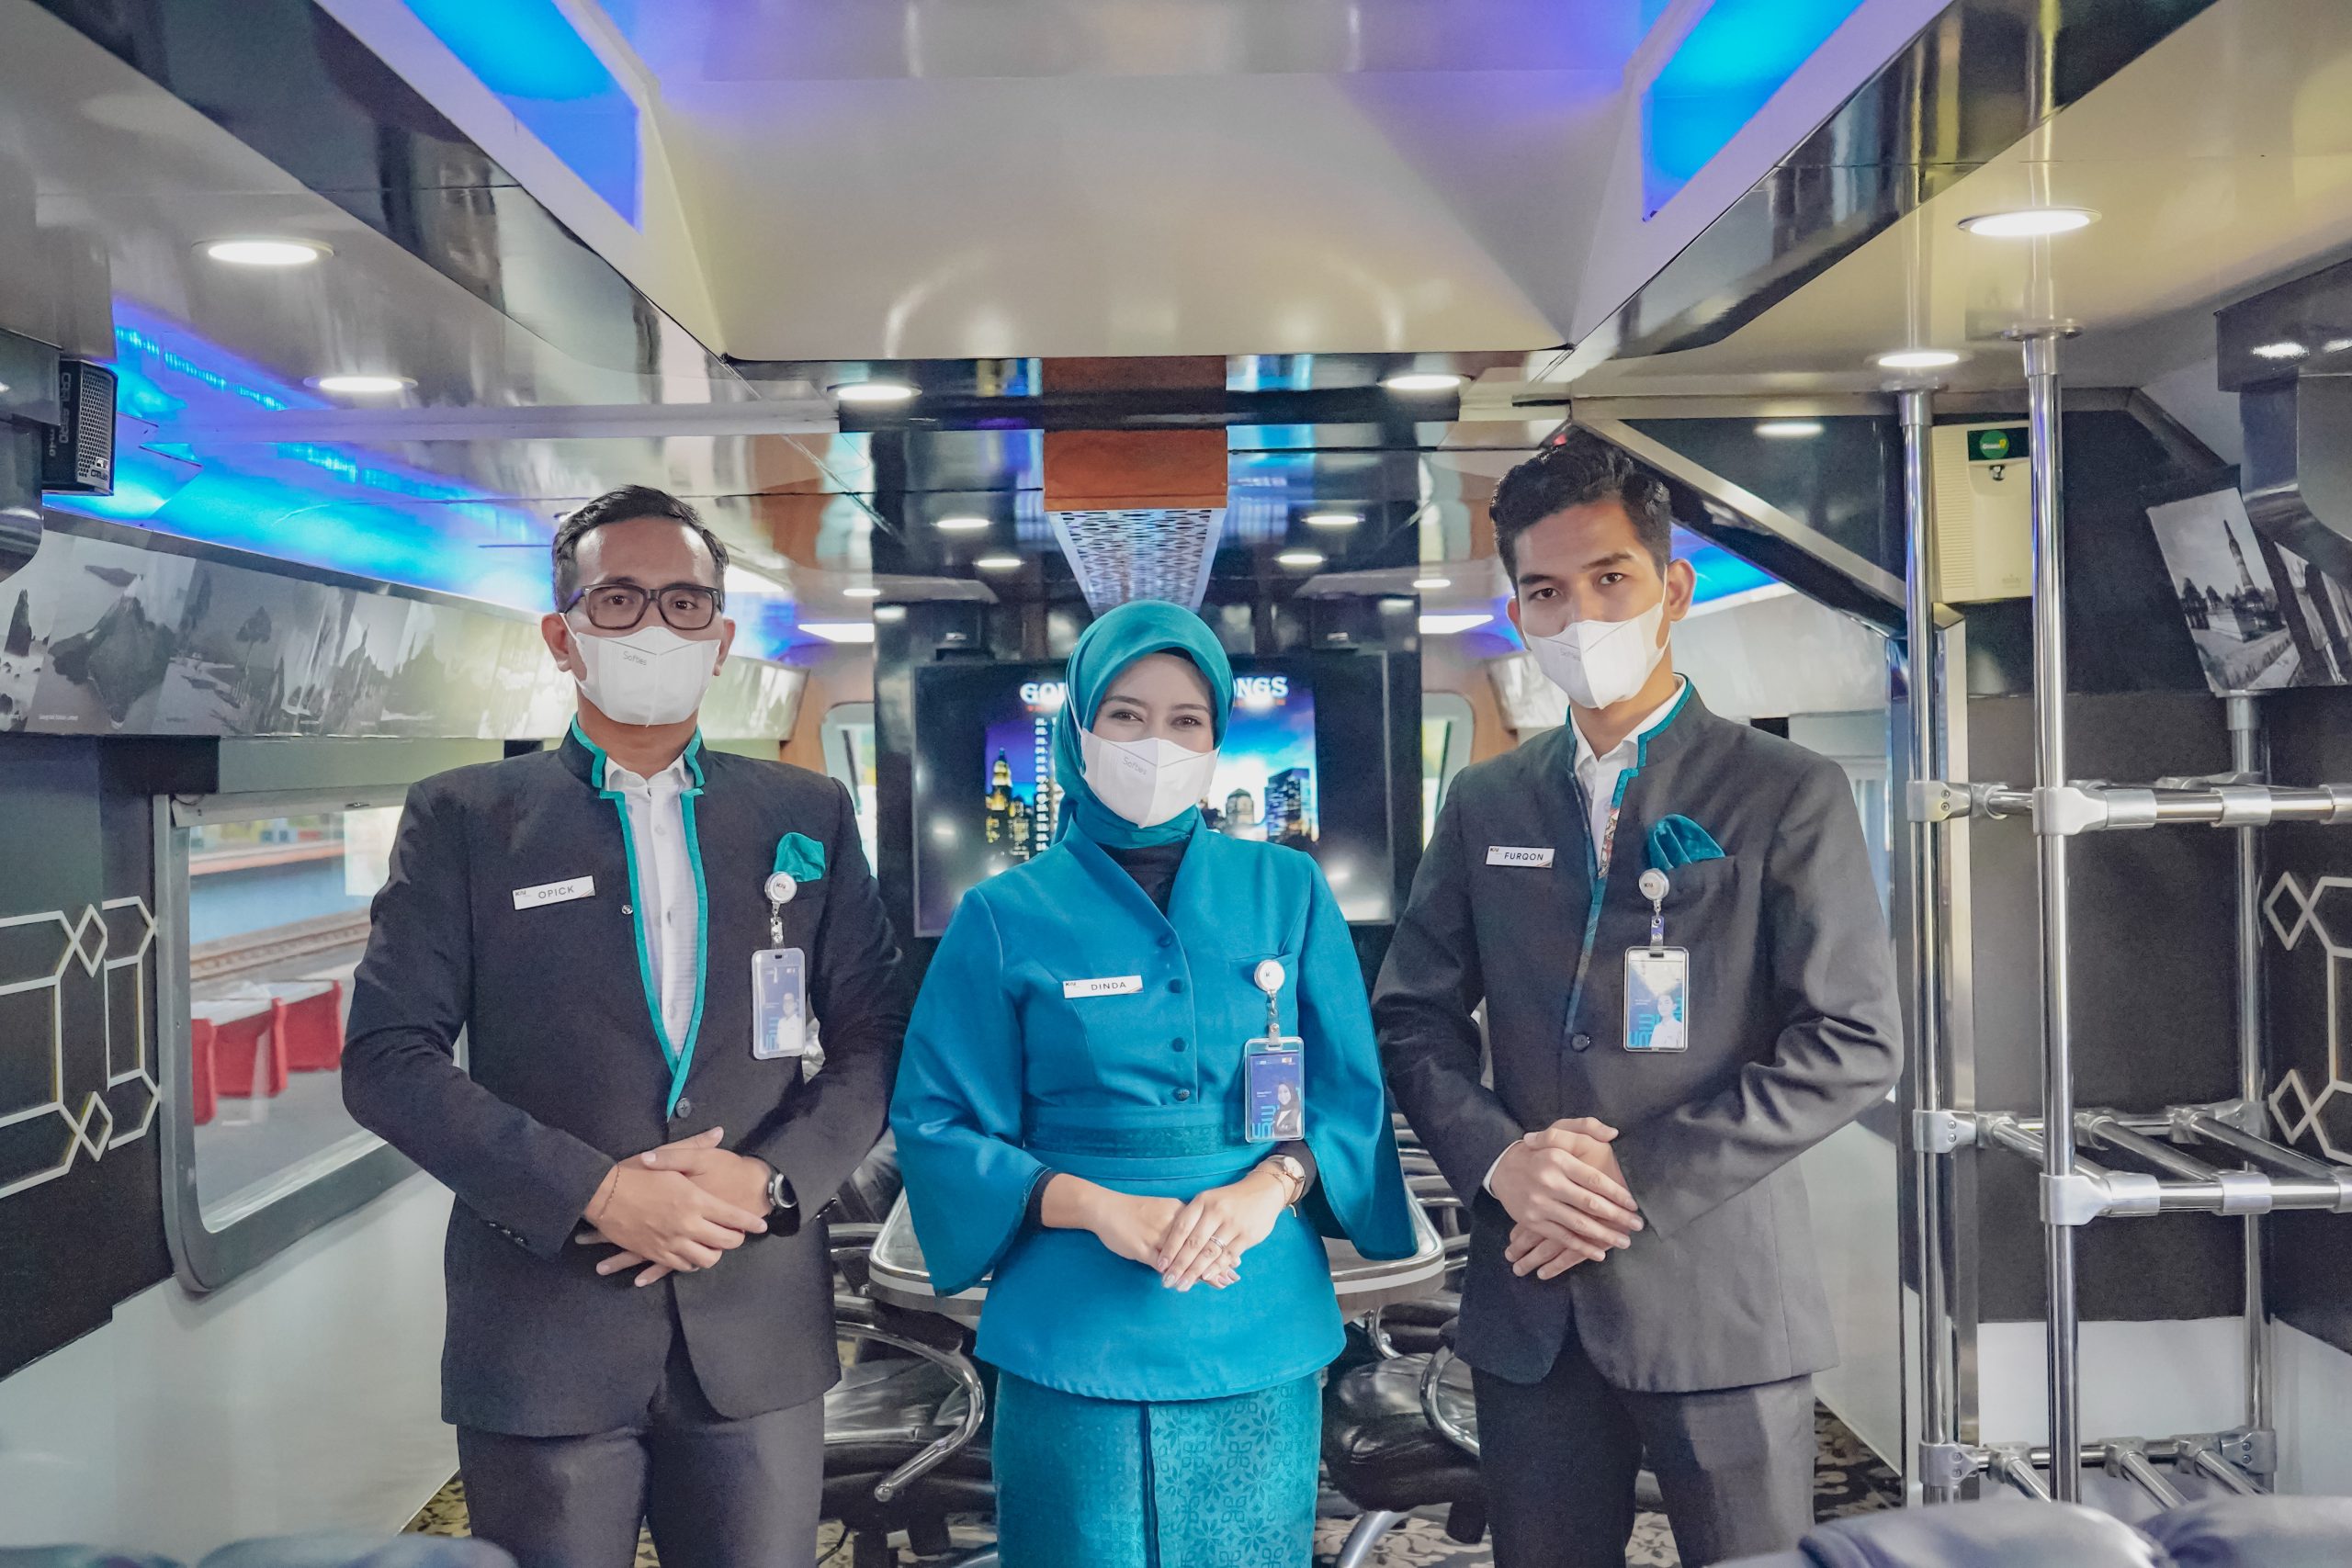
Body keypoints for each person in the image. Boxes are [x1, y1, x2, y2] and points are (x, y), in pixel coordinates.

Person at [342, 486, 907, 1568]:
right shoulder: (467, 819)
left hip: (754, 1328)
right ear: (563, 635)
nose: (655, 625)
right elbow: (387, 1062)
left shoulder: (804, 816)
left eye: (684, 603)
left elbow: (877, 1035)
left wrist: (770, 1180)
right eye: (619, 599)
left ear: (721, 640)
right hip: (544, 1330)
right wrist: (594, 1192)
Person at [1373, 434, 1903, 1568]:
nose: (1578, 616)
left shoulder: (1784, 791)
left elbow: (1851, 1041)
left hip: (1716, 1293)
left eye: (1608, 579)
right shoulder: (1485, 802)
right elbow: (1410, 1018)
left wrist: (1628, 1180)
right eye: (1545, 592)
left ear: (1673, 588)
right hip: (1531, 1298)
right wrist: (1499, 1163)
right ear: (1518, 613)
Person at [890, 600, 1415, 1568]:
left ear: (1216, 739)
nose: (1156, 743)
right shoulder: (1002, 914)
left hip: (1253, 1302)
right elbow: (937, 1120)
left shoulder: (1289, 890)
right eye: (1126, 716)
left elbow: (1350, 1092)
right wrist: (1093, 1205)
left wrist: (1273, 1185)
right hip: (1070, 1315)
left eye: (1185, 720)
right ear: (1079, 728)